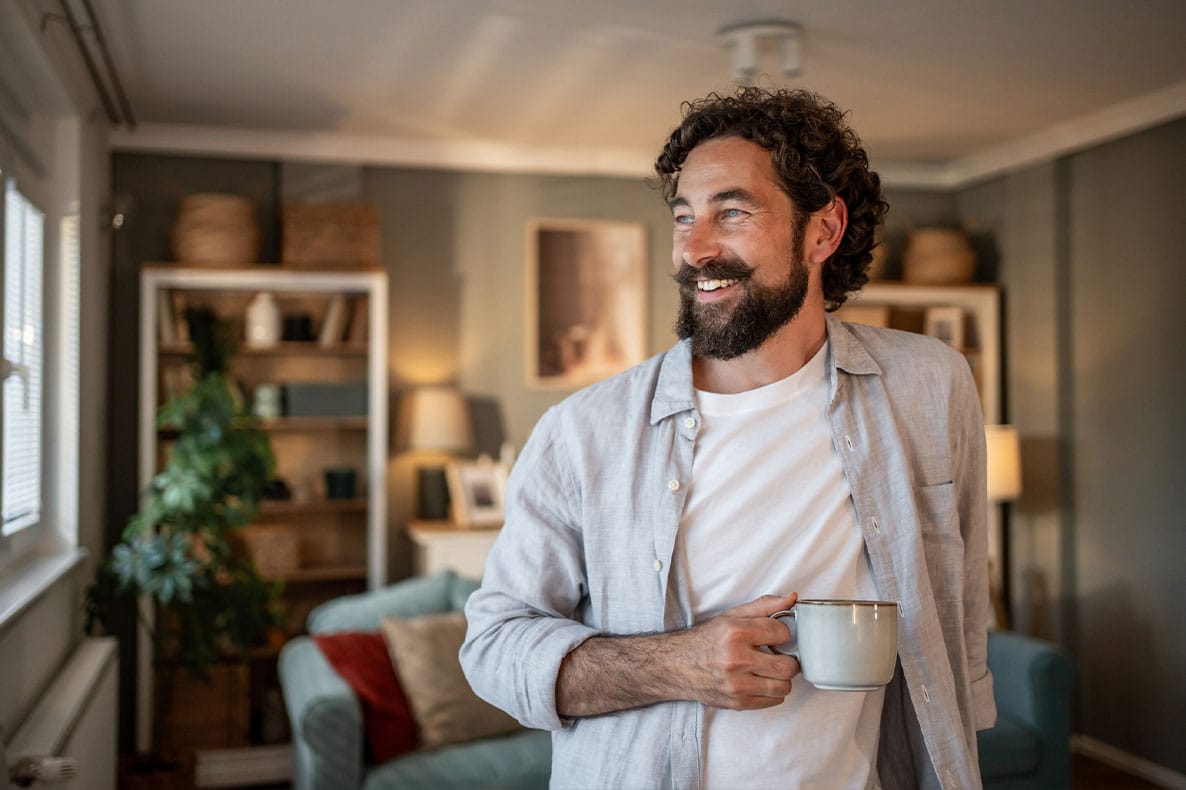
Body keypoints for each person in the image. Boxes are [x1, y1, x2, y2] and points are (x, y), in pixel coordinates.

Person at [461, 86, 995, 789]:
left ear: (822, 231)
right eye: (684, 217)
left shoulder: (928, 386)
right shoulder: (583, 432)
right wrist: (679, 663)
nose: (695, 249)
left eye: (732, 213)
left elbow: (958, 608)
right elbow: (495, 648)